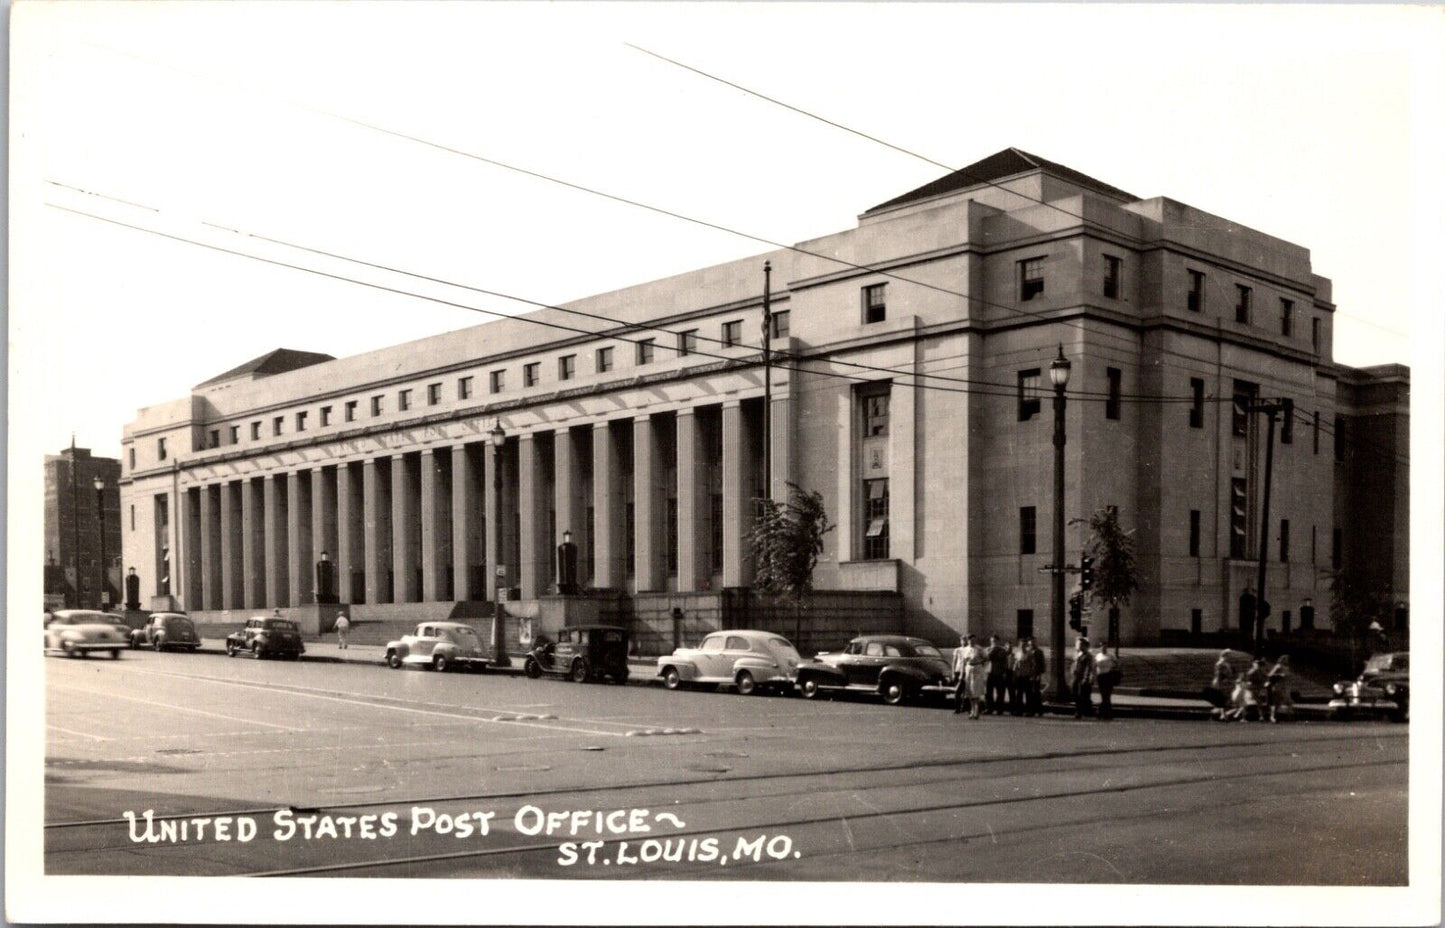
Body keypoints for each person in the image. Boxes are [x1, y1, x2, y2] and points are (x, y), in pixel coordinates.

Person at [952, 635, 988, 719]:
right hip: (968, 669)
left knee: (976, 691)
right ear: (968, 641)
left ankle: (976, 711)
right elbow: (963, 663)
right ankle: (972, 711)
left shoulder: (979, 649)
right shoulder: (965, 650)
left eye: (973, 640)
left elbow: (986, 658)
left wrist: (980, 664)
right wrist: (961, 674)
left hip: (977, 670)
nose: (971, 642)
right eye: (970, 640)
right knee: (970, 691)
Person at [1070, 638, 1096, 719]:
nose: (1077, 646)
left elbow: (1090, 668)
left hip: (1083, 678)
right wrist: (1072, 671)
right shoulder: (1076, 654)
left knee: (1081, 695)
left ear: (1084, 645)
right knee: (1074, 693)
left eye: (1080, 644)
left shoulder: (1088, 656)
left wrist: (1086, 678)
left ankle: (1079, 712)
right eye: (1077, 644)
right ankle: (1086, 710)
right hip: (1075, 677)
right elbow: (1074, 664)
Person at [985, 635, 1011, 714]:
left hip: (999, 673)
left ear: (998, 641)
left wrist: (1004, 672)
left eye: (995, 641)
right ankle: (989, 708)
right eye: (992, 641)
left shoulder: (1001, 650)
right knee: (988, 692)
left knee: (1000, 692)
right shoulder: (988, 649)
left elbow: (1004, 662)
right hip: (989, 672)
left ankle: (999, 709)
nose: (993, 643)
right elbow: (986, 658)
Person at [1094, 642, 1119, 721]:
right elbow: (1094, 666)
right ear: (1100, 647)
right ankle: (1106, 712)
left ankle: (1102, 712)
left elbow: (1117, 664)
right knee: (1103, 695)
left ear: (1107, 647)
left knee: (1107, 695)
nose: (1103, 648)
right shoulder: (1097, 656)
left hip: (1108, 676)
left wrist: (1113, 669)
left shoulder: (1111, 655)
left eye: (1105, 647)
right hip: (1100, 676)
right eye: (1102, 647)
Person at [1265, 654, 1292, 723]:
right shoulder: (1278, 666)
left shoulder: (1286, 667)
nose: (1287, 660)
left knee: (1284, 702)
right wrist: (1279, 675)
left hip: (1284, 686)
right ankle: (1273, 716)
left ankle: (1286, 716)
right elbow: (1270, 675)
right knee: (1277, 702)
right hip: (1278, 686)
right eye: (1286, 659)